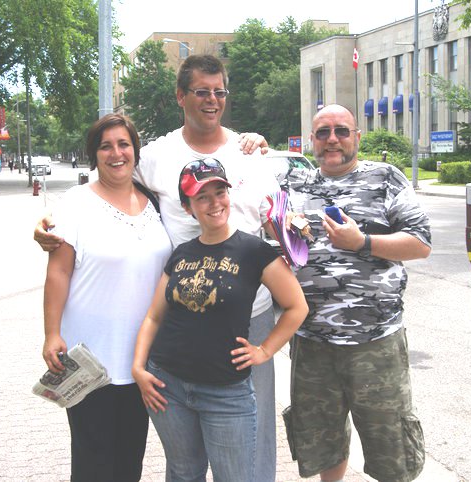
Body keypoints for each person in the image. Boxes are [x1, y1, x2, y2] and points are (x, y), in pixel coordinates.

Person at [34, 55, 282, 480]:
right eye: (201, 91)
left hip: (245, 320)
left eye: (218, 91)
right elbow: (75, 242)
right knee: (181, 458)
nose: (211, 99)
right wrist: (47, 233)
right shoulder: (154, 157)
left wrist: (262, 143)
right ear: (181, 96)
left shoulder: (250, 154)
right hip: (174, 326)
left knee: (248, 446)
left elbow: (280, 224)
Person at [132, 158, 308, 481]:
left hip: (227, 393)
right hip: (167, 385)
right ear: (188, 208)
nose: (215, 203)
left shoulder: (254, 251)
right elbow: (154, 317)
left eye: (219, 192)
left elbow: (297, 306)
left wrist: (265, 351)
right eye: (202, 197)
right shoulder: (182, 252)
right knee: (185, 473)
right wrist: (139, 369)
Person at [284, 104, 432, 482]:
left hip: (375, 343)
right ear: (312, 139)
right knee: (323, 442)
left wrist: (362, 242)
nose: (332, 139)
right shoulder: (295, 185)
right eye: (322, 133)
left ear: (357, 136)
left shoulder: (386, 178)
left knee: (391, 448)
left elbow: (420, 243)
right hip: (312, 341)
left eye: (341, 131)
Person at [42, 113, 172, 481]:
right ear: (93, 155)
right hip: (89, 359)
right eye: (105, 146)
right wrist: (52, 334)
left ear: (135, 150)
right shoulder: (75, 203)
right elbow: (58, 272)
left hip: (142, 361)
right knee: (93, 462)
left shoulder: (154, 202)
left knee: (130, 459)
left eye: (123, 144)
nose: (116, 153)